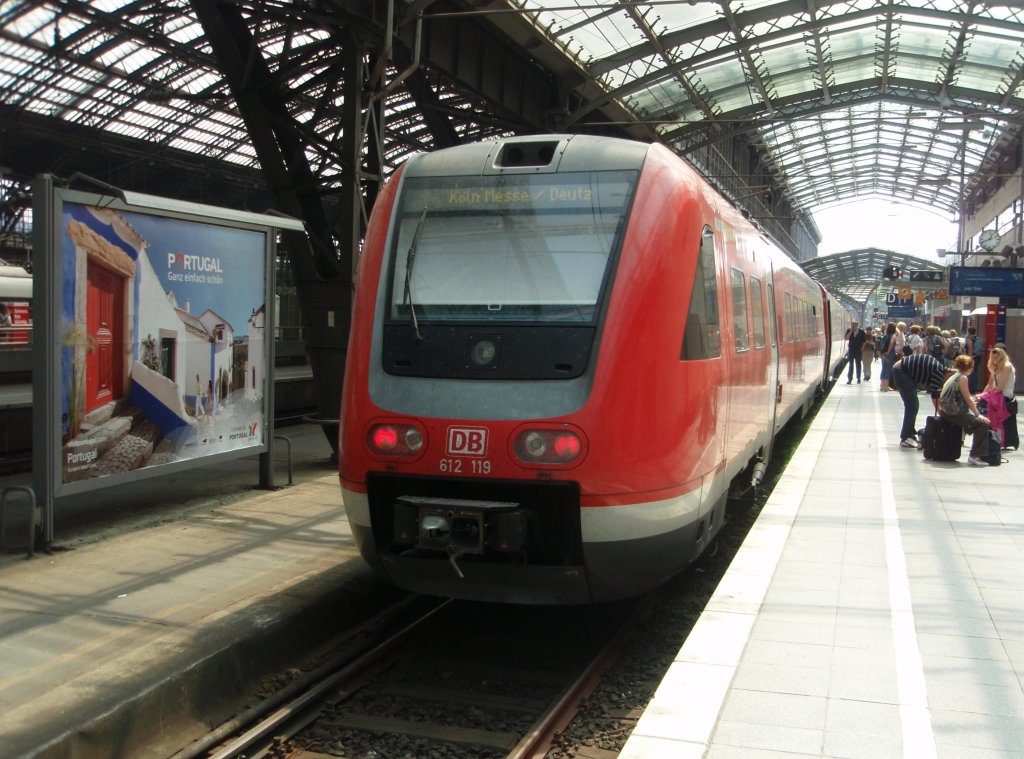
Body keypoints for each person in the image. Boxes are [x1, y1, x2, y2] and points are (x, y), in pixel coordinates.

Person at [939, 355, 992, 466]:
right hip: (954, 413)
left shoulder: (954, 376)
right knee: (982, 424)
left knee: (973, 421)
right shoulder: (963, 378)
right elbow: (967, 399)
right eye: (972, 367)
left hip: (945, 411)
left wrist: (972, 400)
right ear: (967, 367)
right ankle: (975, 455)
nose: (973, 369)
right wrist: (978, 414)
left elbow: (960, 396)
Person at [891, 352, 948, 448]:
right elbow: (935, 397)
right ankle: (906, 437)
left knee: (912, 404)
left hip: (902, 369)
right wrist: (942, 414)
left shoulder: (940, 368)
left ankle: (909, 433)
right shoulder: (939, 373)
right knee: (912, 405)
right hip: (902, 370)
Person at [979, 346, 1017, 449]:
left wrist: (985, 396)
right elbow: (990, 385)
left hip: (1004, 396)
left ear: (1002, 355)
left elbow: (1000, 387)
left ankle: (993, 435)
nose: (995, 358)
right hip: (996, 395)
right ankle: (987, 435)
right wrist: (981, 396)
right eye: (993, 356)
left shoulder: (1007, 366)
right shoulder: (995, 368)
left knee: (984, 405)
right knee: (980, 403)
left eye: (997, 355)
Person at [966, 326, 985, 392]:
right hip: (978, 358)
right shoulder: (978, 339)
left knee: (970, 373)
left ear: (968, 332)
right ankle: (974, 388)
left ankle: (970, 388)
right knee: (975, 372)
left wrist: (968, 358)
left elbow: (970, 349)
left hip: (972, 357)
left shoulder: (969, 339)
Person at [879, 322, 898, 391]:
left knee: (883, 368)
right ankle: (886, 386)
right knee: (888, 369)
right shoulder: (893, 335)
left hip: (883, 354)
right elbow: (891, 342)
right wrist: (888, 351)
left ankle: (882, 385)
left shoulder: (885, 335)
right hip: (889, 354)